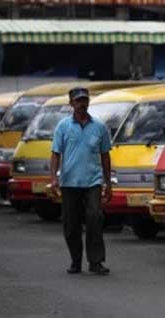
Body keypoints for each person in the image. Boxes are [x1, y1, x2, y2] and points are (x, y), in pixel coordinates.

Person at [50, 87, 112, 275]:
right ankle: (75, 261)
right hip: (69, 182)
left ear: (88, 102)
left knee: (94, 217)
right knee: (71, 224)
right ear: (71, 104)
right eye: (77, 101)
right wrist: (53, 178)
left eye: (84, 100)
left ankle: (95, 261)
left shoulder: (99, 127)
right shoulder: (63, 126)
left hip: (92, 181)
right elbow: (55, 153)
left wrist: (108, 183)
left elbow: (105, 156)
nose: (81, 104)